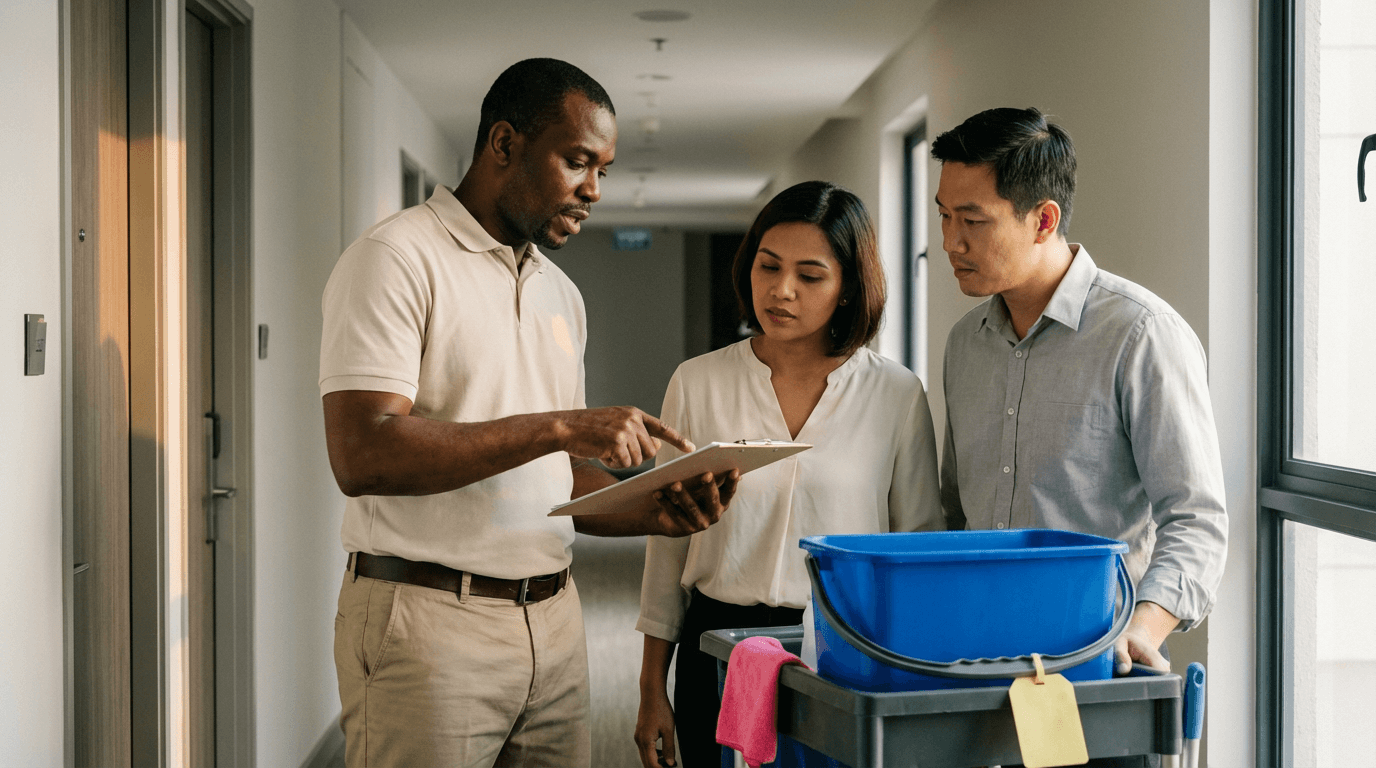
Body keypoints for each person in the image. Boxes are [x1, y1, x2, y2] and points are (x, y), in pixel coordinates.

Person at [320, 58, 738, 768]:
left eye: (603, 169)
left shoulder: (560, 295)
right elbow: (363, 454)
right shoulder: (396, 257)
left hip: (555, 622)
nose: (594, 190)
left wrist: (652, 511)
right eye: (578, 162)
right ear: (505, 144)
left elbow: (560, 482)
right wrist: (559, 427)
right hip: (427, 623)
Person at [933, 108, 1228, 768]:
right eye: (944, 216)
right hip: (978, 673)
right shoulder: (963, 346)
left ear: (1043, 219)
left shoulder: (1141, 334)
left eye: (972, 220)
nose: (951, 240)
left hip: (1098, 679)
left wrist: (1140, 632)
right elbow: (957, 511)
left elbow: (1197, 520)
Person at [634, 181, 944, 768]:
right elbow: (666, 546)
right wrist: (653, 688)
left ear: (849, 287)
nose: (781, 291)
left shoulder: (896, 394)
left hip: (845, 652)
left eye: (810, 275)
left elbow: (917, 547)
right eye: (768, 266)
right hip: (717, 646)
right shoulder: (697, 383)